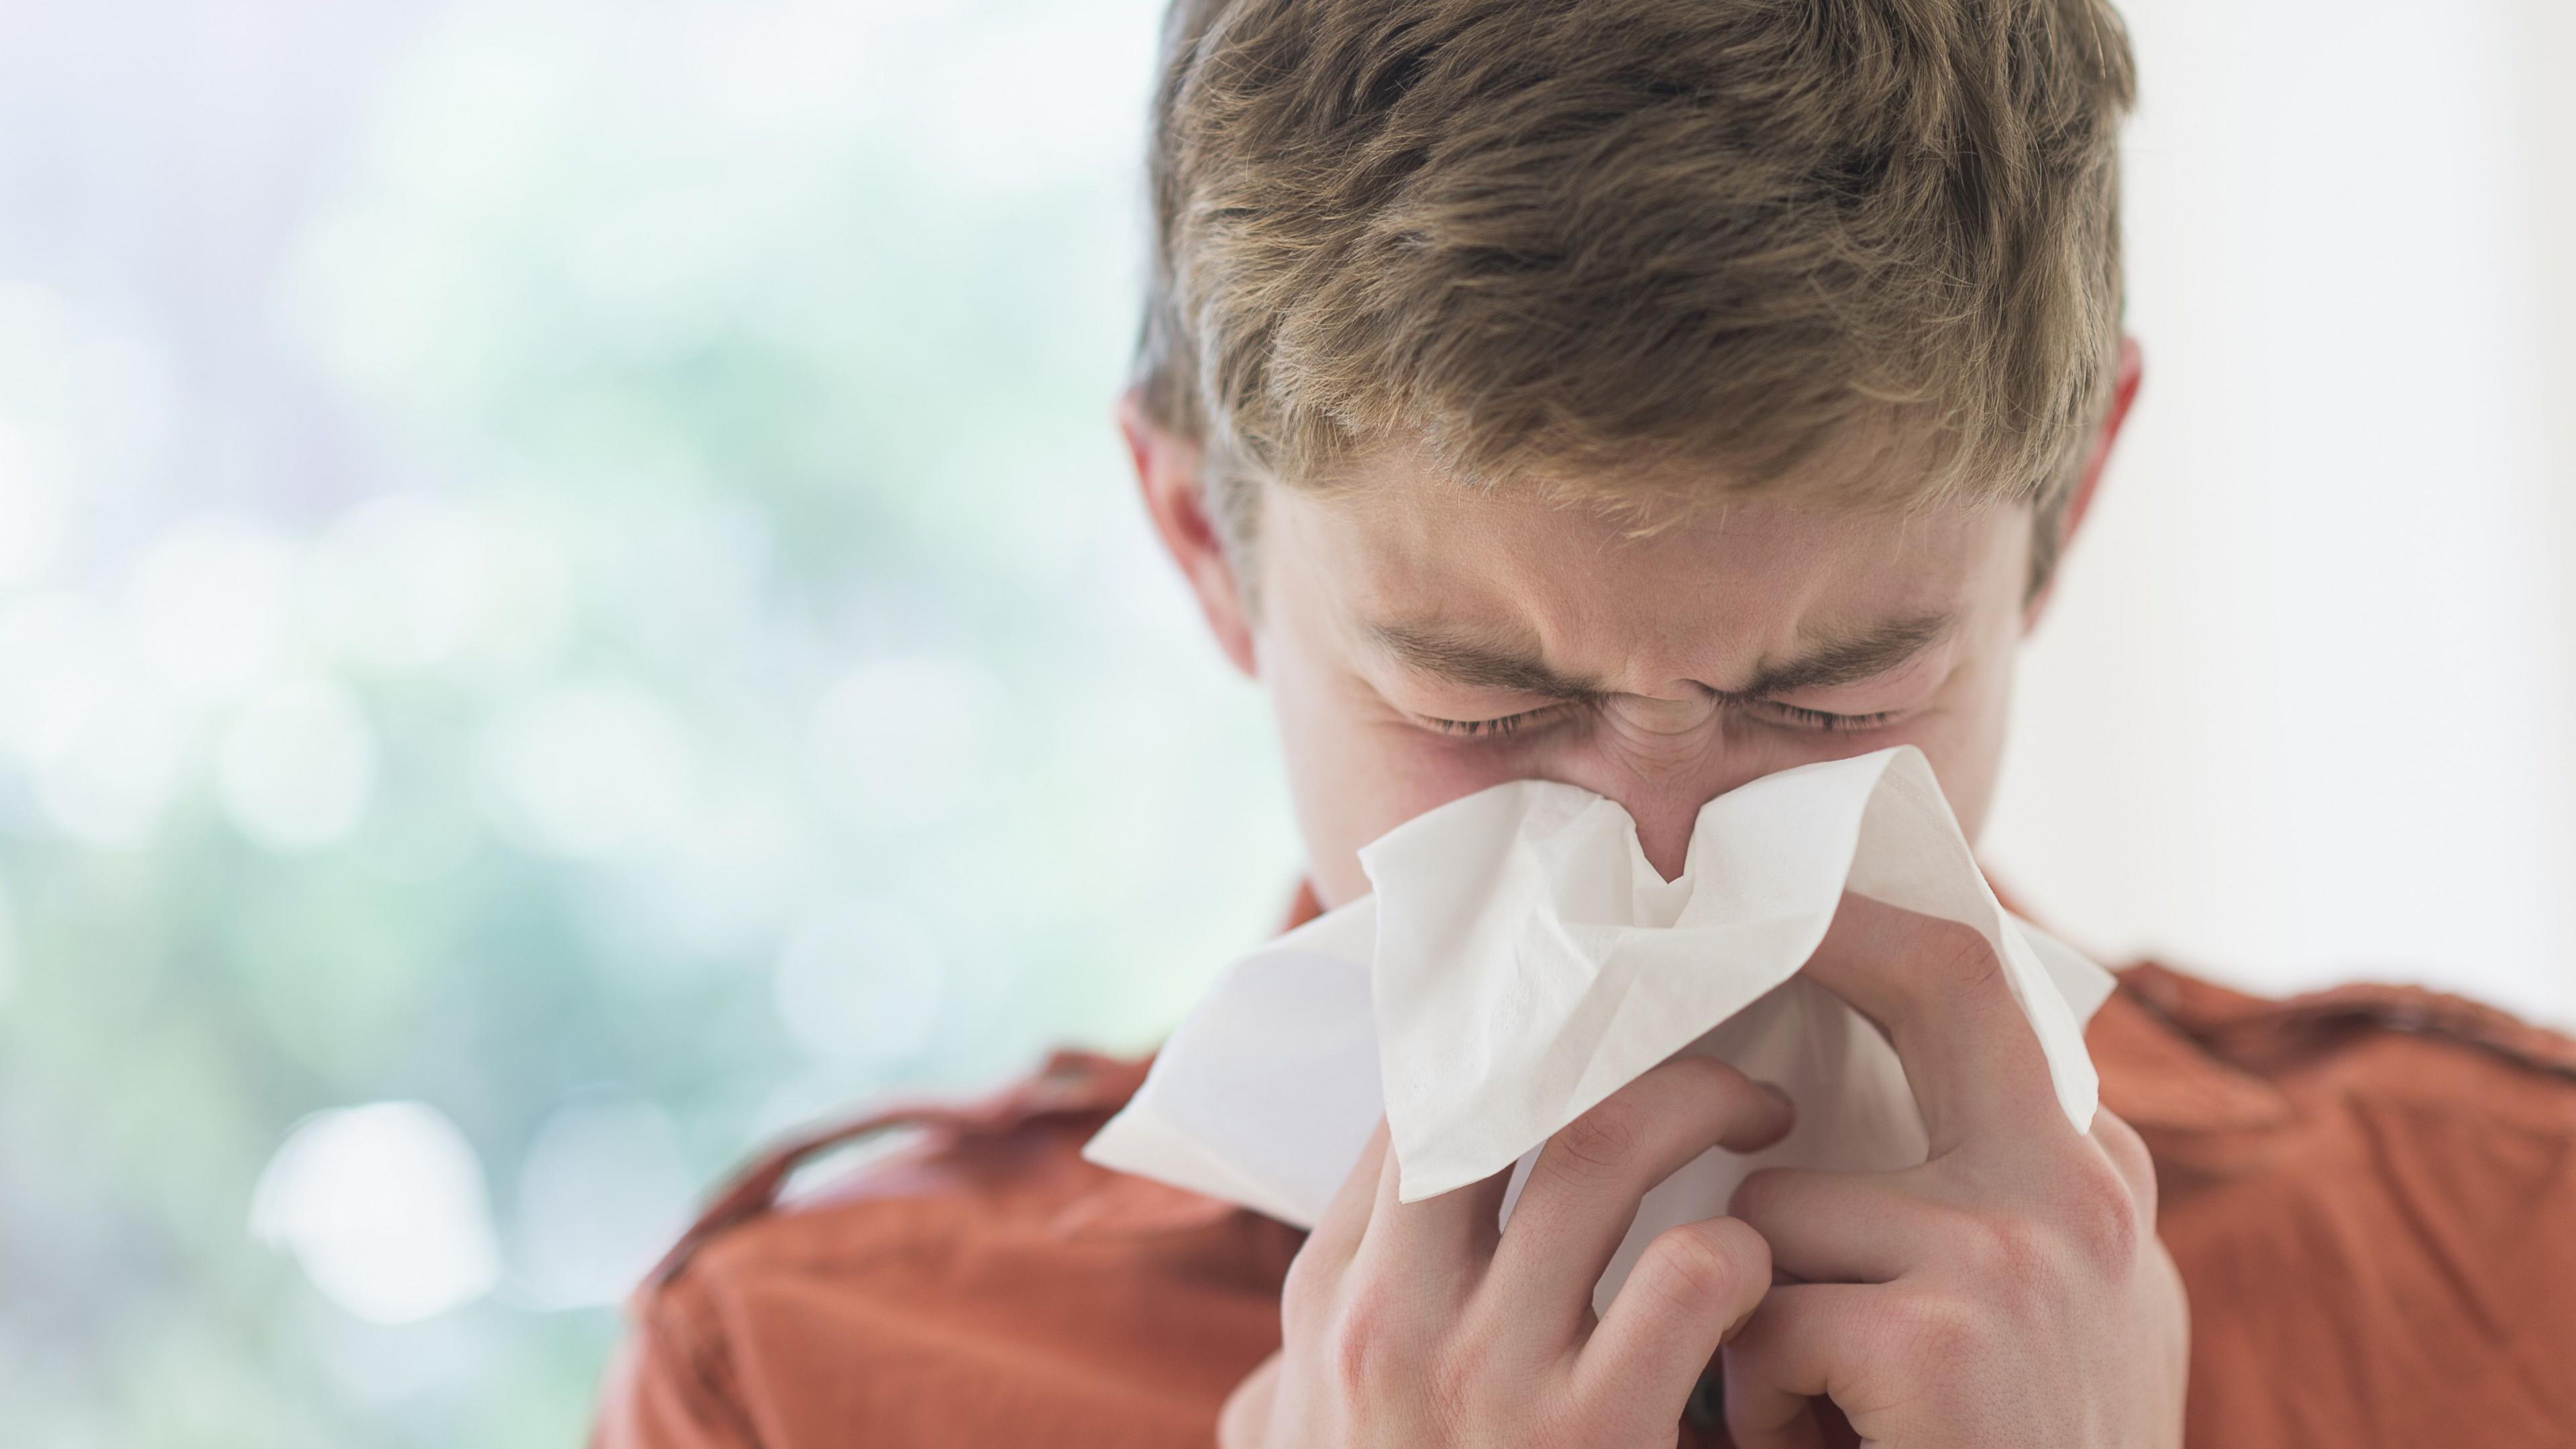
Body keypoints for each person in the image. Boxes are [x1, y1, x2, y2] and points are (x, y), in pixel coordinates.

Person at [591, 1, 2576, 1444]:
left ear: (2069, 506)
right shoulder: (806, 1383)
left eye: (1830, 696)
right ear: (1204, 542)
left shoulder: (2513, 1254)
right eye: (1486, 702)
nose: (1665, 857)